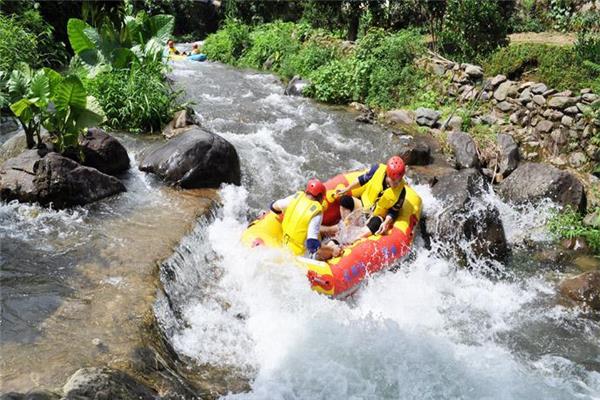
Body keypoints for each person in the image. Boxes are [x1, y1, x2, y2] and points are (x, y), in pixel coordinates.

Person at [335, 156, 407, 239]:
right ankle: (346, 229)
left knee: (376, 222)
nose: (397, 184)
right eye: (394, 180)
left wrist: (386, 222)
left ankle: (353, 240)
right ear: (388, 174)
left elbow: (394, 212)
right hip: (362, 205)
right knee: (345, 200)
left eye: (399, 180)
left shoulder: (401, 191)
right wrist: (347, 189)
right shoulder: (377, 169)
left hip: (377, 216)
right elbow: (362, 180)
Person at [270, 179, 341, 261]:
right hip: (303, 256)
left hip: (285, 247)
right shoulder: (316, 211)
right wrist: (332, 250)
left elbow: (273, 206)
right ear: (321, 197)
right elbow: (312, 244)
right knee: (334, 243)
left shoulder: (295, 198)